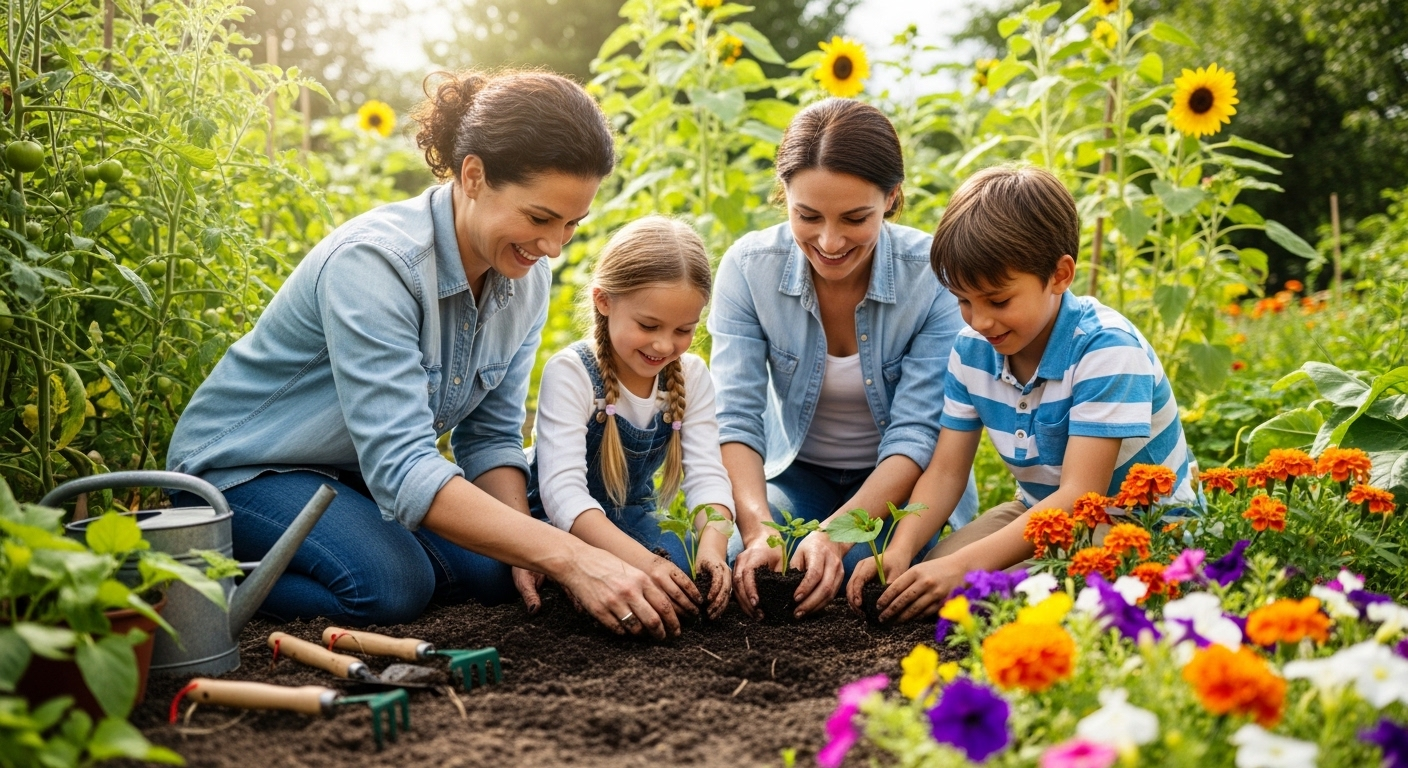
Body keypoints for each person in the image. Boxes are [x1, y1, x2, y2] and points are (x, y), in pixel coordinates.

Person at [166, 70, 685, 639]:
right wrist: (570, 556)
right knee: (390, 585)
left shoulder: (525, 277)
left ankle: (390, 551)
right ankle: (181, 577)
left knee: (498, 573)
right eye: (539, 218)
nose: (554, 246)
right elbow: (402, 464)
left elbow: (488, 439)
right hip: (246, 472)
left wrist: (528, 551)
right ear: (473, 175)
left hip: (353, 478)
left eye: (571, 224)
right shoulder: (376, 264)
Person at [847, 165, 1200, 622]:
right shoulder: (973, 350)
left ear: (1060, 275)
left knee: (991, 599)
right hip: (1037, 512)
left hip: (1134, 529)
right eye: (963, 301)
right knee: (925, 578)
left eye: (998, 301)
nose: (979, 321)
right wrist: (902, 547)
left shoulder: (1107, 350)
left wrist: (963, 568)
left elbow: (1079, 496)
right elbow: (946, 473)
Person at [708, 98, 980, 621]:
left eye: (856, 218)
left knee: (869, 563)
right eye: (807, 216)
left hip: (899, 485)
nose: (829, 242)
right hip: (795, 475)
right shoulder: (748, 269)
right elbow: (736, 418)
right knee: (762, 562)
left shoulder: (933, 278)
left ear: (892, 198)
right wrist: (759, 525)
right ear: (783, 196)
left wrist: (835, 536)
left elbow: (916, 435)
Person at [526, 216, 735, 620]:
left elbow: (708, 476)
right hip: (557, 522)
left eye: (683, 330)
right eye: (648, 325)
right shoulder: (573, 372)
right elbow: (561, 495)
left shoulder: (691, 376)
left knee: (689, 563)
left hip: (627, 516)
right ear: (604, 301)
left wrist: (712, 551)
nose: (664, 344)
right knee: (657, 574)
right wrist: (645, 564)